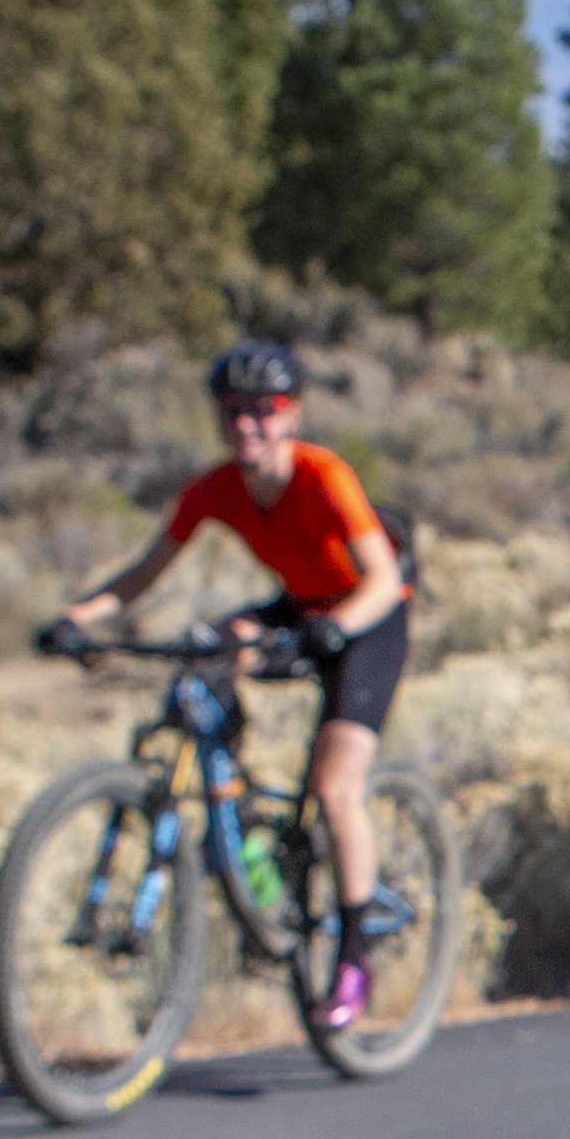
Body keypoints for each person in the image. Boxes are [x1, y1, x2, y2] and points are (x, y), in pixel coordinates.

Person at [53, 339, 416, 1028]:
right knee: (211, 647)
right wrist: (79, 617)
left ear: (292, 414)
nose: (247, 425)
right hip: (300, 609)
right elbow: (143, 573)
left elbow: (383, 580)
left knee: (335, 787)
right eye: (232, 413)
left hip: (366, 620)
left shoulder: (324, 476)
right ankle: (239, 813)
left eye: (264, 411)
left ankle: (354, 954)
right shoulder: (213, 489)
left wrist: (337, 628)